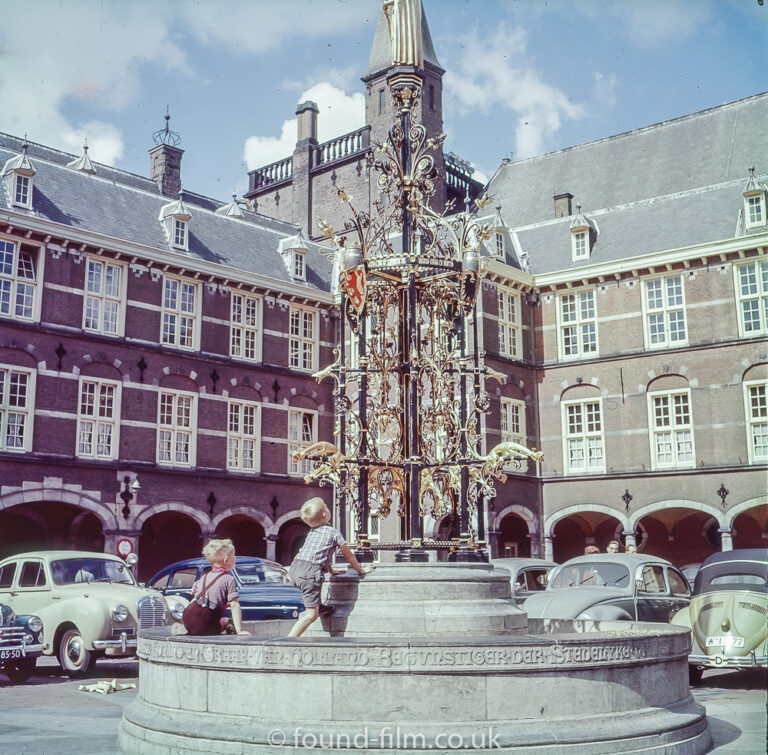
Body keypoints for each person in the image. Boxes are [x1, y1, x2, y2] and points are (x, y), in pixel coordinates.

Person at [288, 497, 370, 637]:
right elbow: (348, 555)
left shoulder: (312, 532)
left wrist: (331, 570)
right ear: (325, 515)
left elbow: (322, 554)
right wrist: (361, 570)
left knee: (314, 589)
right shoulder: (333, 532)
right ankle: (287, 641)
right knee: (311, 615)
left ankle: (320, 607)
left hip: (295, 568)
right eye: (326, 506)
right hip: (309, 573)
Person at [174, 539, 249, 636]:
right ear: (226, 560)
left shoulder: (204, 576)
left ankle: (185, 628)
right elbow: (234, 605)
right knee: (227, 621)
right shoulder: (229, 579)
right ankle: (225, 629)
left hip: (188, 617)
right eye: (233, 555)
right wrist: (240, 630)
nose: (235, 558)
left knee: (198, 617)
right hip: (207, 623)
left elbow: (194, 592)